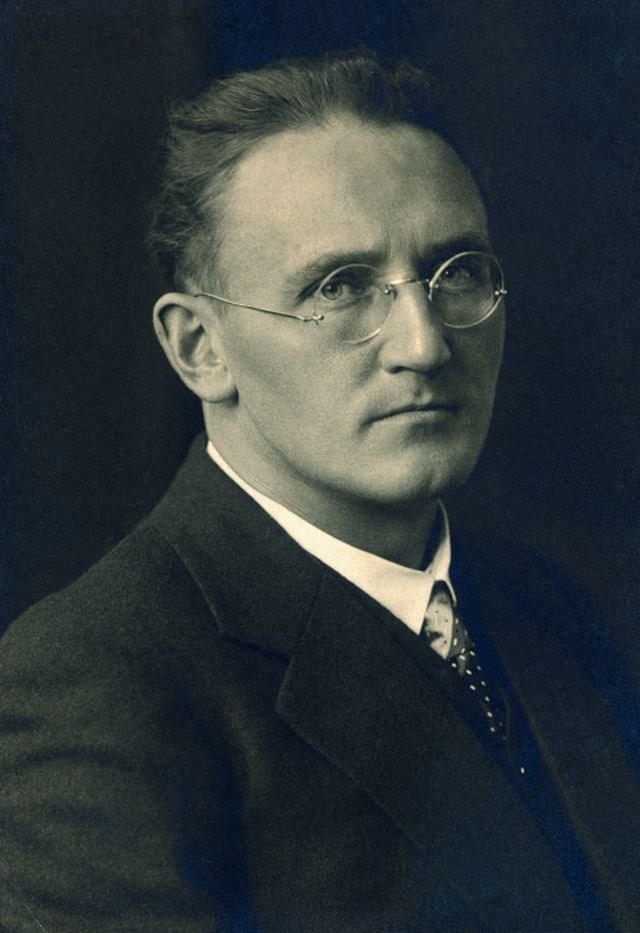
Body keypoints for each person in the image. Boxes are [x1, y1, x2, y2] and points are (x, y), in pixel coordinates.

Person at [1, 50, 639, 933]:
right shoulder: (97, 681)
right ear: (200, 348)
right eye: (339, 287)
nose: (423, 344)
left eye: (455, 271)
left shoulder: (550, 609)